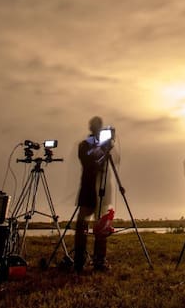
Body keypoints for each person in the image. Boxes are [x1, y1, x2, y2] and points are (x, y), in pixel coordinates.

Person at [73, 116, 114, 272]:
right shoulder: (84, 145)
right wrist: (103, 148)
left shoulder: (104, 146)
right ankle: (79, 260)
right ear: (91, 128)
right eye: (96, 126)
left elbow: (111, 161)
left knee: (101, 225)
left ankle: (99, 260)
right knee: (82, 224)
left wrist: (108, 147)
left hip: (102, 190)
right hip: (88, 189)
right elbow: (91, 161)